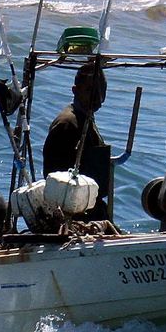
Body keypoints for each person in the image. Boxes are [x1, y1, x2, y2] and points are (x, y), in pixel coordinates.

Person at [41, 62, 112, 222]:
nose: (97, 97)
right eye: (90, 91)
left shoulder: (87, 119)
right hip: (73, 214)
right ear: (75, 90)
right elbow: (53, 175)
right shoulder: (67, 123)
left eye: (102, 91)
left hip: (92, 207)